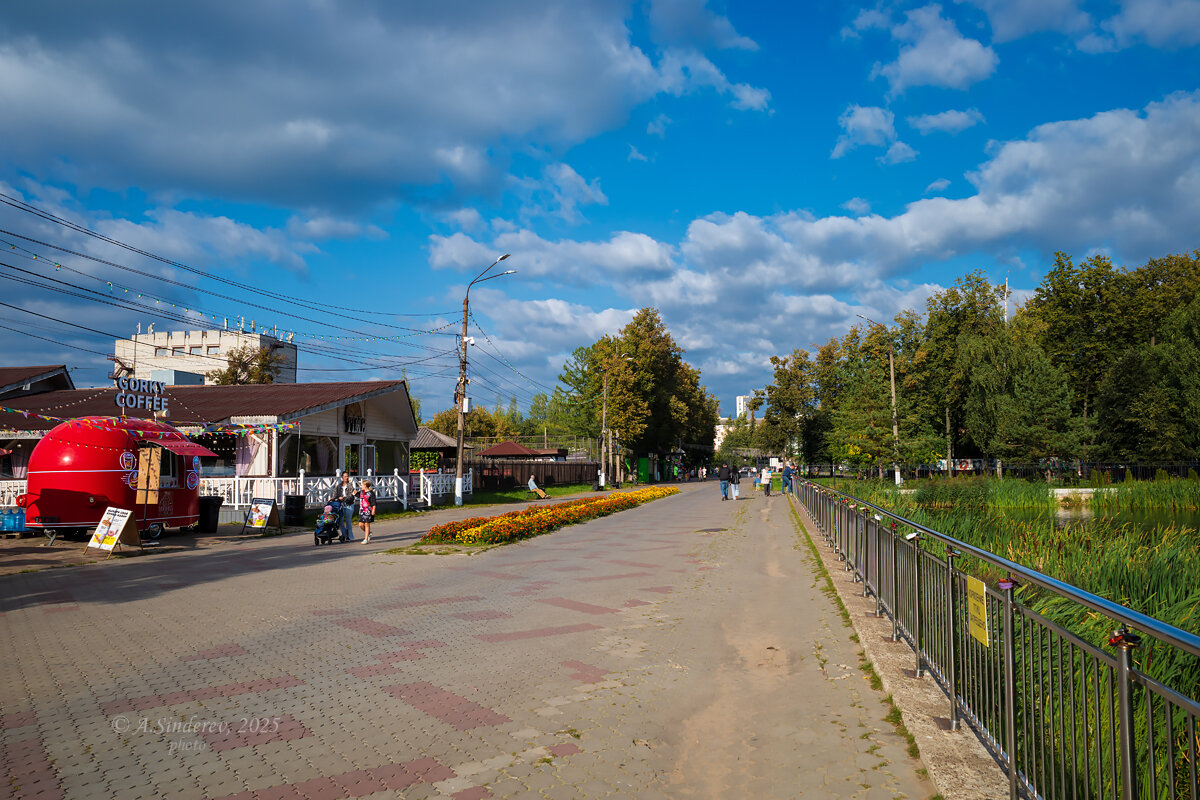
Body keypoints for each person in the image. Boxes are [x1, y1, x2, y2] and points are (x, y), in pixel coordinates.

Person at [333, 471, 356, 541]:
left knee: (348, 521)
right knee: (340, 520)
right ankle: (345, 534)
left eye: (347, 476)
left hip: (349, 505)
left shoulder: (350, 485)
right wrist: (334, 498)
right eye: (345, 476)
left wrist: (343, 498)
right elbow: (335, 495)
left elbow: (351, 496)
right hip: (341, 505)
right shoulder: (339, 486)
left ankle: (350, 537)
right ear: (342, 477)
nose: (347, 477)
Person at [357, 479, 377, 544]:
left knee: (366, 524)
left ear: (365, 485)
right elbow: (358, 496)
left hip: (368, 510)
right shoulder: (361, 492)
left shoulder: (371, 493)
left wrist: (373, 509)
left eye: (362, 485)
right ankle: (368, 533)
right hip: (361, 510)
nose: (361, 486)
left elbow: (373, 502)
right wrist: (354, 493)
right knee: (360, 524)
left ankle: (366, 539)